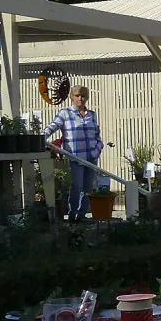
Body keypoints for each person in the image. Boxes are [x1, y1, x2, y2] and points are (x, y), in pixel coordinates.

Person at [44, 85, 103, 222]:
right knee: (77, 185)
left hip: (91, 156)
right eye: (77, 96)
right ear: (72, 97)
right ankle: (72, 214)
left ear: (86, 98)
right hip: (76, 157)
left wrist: (98, 147)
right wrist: (42, 136)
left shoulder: (91, 115)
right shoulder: (65, 113)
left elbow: (97, 134)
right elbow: (53, 126)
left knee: (88, 188)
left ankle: (82, 215)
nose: (80, 98)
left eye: (83, 96)